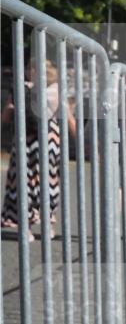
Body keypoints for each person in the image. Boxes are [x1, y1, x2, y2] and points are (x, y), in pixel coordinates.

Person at [1, 59, 76, 240]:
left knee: (22, 183)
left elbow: (5, 116)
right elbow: (68, 119)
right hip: (50, 141)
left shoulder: (19, 89)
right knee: (49, 184)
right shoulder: (55, 91)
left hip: (24, 141)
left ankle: (25, 228)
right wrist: (82, 142)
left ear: (31, 70)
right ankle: (48, 224)